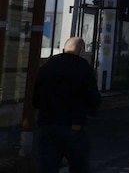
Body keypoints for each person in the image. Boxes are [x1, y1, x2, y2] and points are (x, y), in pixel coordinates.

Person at [33, 36, 102, 173]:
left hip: (48, 125)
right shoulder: (84, 68)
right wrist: (92, 112)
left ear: (64, 49)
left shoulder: (47, 66)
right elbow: (93, 98)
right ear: (81, 51)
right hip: (74, 126)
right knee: (79, 167)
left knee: (48, 167)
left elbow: (35, 98)